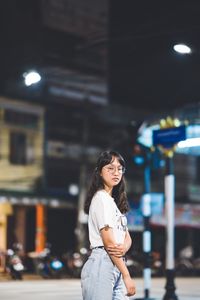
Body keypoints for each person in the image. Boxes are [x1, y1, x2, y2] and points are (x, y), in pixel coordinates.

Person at [81, 150, 136, 300]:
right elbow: (109, 242)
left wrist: (122, 249)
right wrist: (127, 275)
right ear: (99, 172)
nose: (116, 172)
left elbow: (127, 238)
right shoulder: (101, 199)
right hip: (102, 263)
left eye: (119, 169)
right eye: (110, 168)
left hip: (116, 263)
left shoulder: (114, 203)